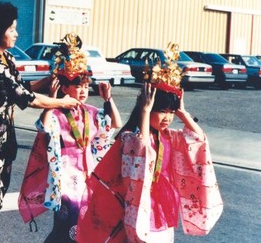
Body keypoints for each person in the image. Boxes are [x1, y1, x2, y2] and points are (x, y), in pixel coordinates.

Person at [0, 2, 81, 243]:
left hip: (2, 139)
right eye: (11, 28)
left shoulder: (7, 58)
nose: (16, 33)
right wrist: (62, 103)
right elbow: (27, 98)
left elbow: (22, 88)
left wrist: (49, 79)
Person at [77, 43, 223, 242]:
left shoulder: (169, 136)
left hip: (161, 204)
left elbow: (199, 140)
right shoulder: (130, 137)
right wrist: (145, 111)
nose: (167, 118)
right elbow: (141, 153)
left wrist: (181, 111)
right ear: (147, 107)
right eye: (162, 111)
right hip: (138, 203)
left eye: (171, 113)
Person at [18, 33, 122, 242]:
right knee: (68, 221)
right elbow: (43, 126)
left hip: (87, 172)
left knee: (85, 221)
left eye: (85, 86)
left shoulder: (91, 112)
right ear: (64, 87)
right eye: (77, 86)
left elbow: (115, 124)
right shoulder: (56, 113)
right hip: (65, 173)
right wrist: (52, 101)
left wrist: (108, 99)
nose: (83, 90)